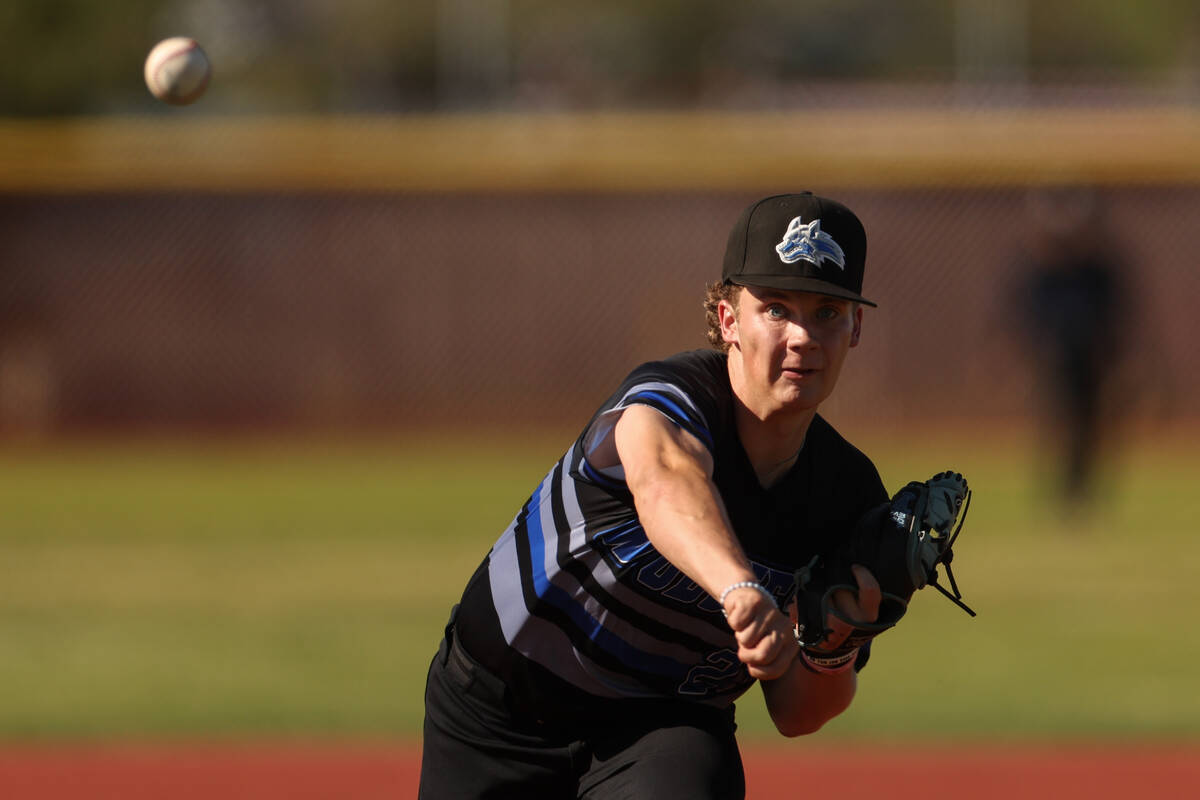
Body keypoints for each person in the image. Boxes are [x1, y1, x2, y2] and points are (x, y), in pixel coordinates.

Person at [419, 193, 890, 799]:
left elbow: (796, 714)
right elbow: (666, 480)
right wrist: (739, 588)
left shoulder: (848, 498)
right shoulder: (666, 397)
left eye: (827, 311)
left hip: (660, 726)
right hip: (496, 711)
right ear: (727, 319)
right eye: (775, 308)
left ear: (856, 328)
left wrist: (834, 646)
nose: (803, 336)